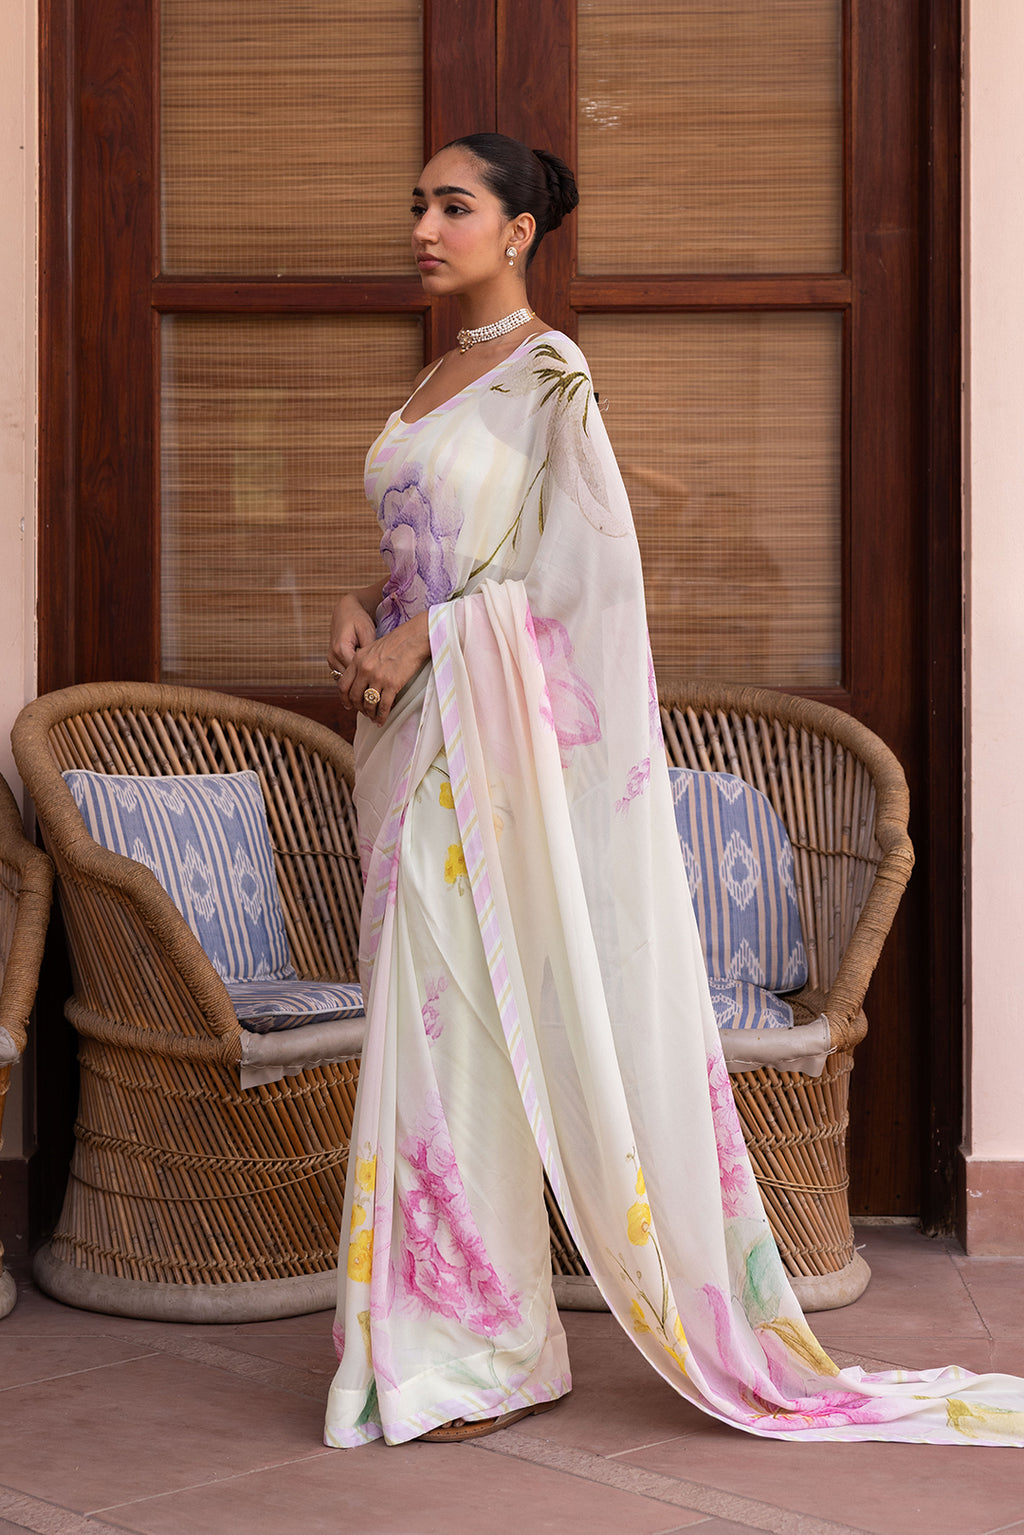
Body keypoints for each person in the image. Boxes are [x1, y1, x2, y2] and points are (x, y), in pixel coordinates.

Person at [323, 132, 1024, 1449]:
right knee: (422, 1028)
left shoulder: (549, 374)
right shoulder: (437, 374)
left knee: (459, 1027)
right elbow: (440, 551)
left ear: (519, 230)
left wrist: (431, 638)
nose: (422, 226)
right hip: (410, 744)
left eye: (452, 206)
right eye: (416, 203)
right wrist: (367, 606)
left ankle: (473, 1350)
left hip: (482, 760)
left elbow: (584, 578)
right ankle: (457, 1339)